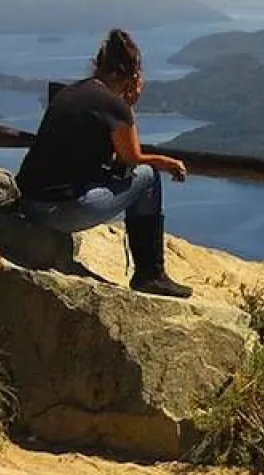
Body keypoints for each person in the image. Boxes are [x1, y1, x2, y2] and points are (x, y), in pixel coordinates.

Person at [15, 28, 193, 298]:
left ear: (99, 64)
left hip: (28, 204)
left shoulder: (70, 92)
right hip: (62, 212)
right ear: (133, 75)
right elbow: (131, 159)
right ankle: (150, 275)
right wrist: (164, 158)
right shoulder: (113, 105)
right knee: (148, 176)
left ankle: (150, 274)